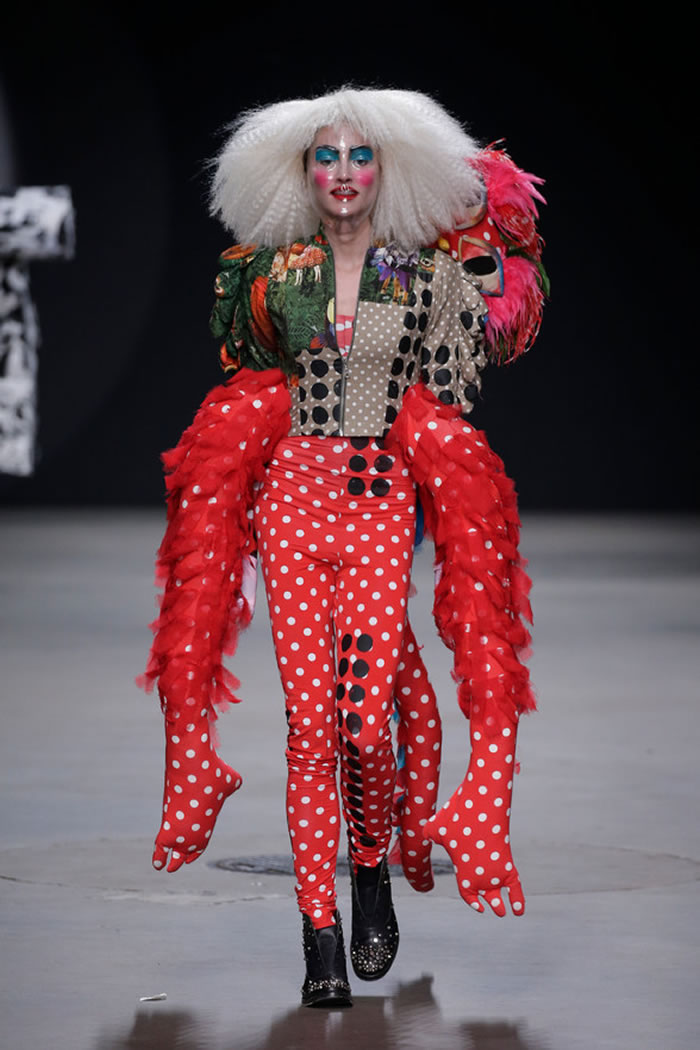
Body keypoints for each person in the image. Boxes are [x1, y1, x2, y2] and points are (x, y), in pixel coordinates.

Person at [140, 87, 547, 1008]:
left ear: (385, 171)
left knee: (364, 726)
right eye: (326, 156)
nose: (344, 172)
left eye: (361, 155)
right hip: (292, 501)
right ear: (302, 173)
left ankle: (368, 865)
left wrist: (486, 257)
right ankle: (318, 932)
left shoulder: (422, 273)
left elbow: (472, 366)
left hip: (377, 504)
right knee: (311, 729)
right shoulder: (269, 273)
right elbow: (246, 381)